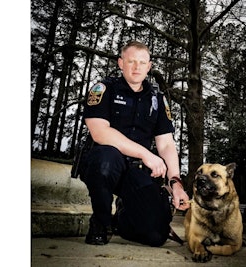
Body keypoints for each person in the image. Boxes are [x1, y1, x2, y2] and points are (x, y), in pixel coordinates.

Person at [78, 40, 190, 247]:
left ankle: (122, 218)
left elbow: (166, 144)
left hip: (136, 170)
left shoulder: (157, 98)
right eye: (131, 61)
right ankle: (101, 223)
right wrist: (146, 154)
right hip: (105, 163)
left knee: (156, 236)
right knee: (105, 160)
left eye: (142, 62)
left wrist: (175, 183)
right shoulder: (104, 88)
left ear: (149, 66)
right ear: (121, 63)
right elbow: (100, 132)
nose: (137, 67)